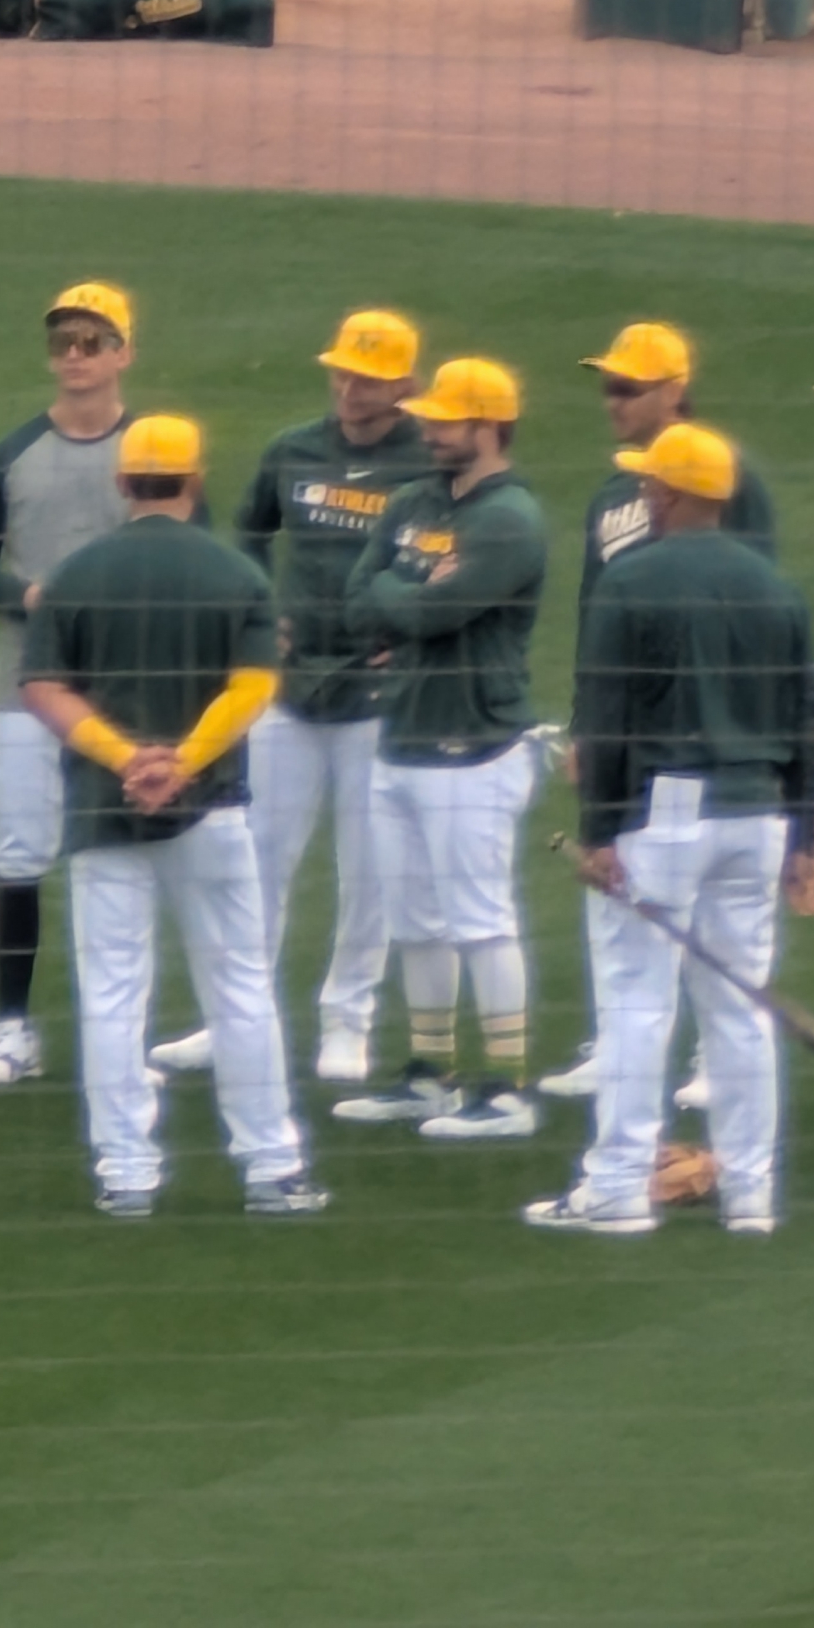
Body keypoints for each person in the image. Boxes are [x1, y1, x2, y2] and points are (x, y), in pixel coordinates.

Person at [18, 416, 327, 1219]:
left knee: (115, 993)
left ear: (123, 484)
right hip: (212, 810)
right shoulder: (236, 575)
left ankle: (126, 1172)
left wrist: (127, 761)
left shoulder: (75, 575)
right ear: (194, 481)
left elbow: (43, 689)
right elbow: (254, 686)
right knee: (241, 989)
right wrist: (182, 762)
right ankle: (272, 1166)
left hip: (102, 812)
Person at [528, 424, 814, 1235]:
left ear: (674, 495)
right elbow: (805, 728)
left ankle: (618, 1191)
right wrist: (804, 840)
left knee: (636, 1005)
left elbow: (610, 721)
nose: (645, 496)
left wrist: (597, 833)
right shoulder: (778, 589)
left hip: (666, 816)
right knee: (740, 1007)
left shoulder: (635, 582)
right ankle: (751, 1195)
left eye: (653, 486)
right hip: (759, 815)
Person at [0, 283, 204, 1089]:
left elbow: (199, 557)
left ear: (124, 353)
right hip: (26, 691)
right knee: (16, 855)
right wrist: (27, 597)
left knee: (125, 857)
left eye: (91, 340)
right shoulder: (7, 458)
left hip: (132, 697)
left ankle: (123, 1035)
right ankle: (11, 1027)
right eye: (63, 342)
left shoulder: (157, 455)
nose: (75, 355)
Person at [147, 310, 433, 1087]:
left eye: (369, 378)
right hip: (291, 687)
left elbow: (449, 558)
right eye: (342, 371)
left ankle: (349, 1021)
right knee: (255, 858)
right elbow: (246, 533)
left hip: (377, 693)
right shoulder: (294, 448)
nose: (349, 387)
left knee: (368, 867)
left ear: (406, 384)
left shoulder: (424, 461)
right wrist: (256, 614)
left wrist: (407, 628)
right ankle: (233, 1016)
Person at [543, 320, 777, 1106]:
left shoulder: (727, 480)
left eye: (628, 387)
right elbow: (591, 612)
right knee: (615, 888)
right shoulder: (616, 490)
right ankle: (615, 1045)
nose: (612, 400)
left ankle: (717, 1059)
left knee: (706, 898)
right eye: (607, 385)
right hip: (628, 724)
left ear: (676, 390)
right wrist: (585, 722)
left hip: (701, 726)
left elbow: (755, 600)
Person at [334, 358, 550, 1140]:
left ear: (488, 426)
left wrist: (411, 596)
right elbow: (361, 604)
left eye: (444, 421)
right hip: (402, 739)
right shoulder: (413, 500)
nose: (428, 429)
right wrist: (411, 595)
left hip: (475, 744)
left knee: (481, 919)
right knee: (414, 920)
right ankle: (431, 1074)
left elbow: (434, 614)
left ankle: (508, 1088)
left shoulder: (509, 519)